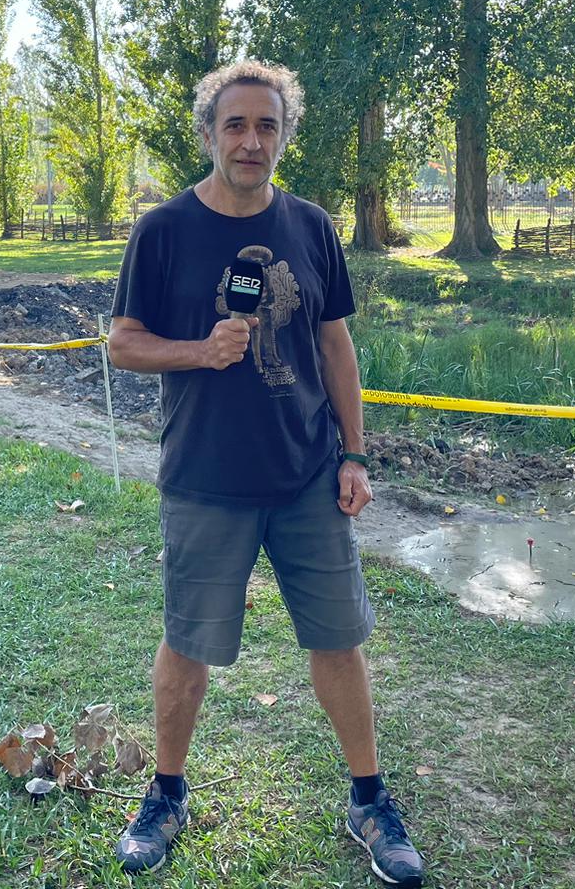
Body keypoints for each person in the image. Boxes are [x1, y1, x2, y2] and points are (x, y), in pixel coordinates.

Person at [106, 60, 424, 886]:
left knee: (339, 641)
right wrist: (200, 351)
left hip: (308, 478)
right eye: (237, 125)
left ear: (285, 136)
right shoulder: (163, 230)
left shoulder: (313, 226)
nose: (252, 141)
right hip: (205, 479)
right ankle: (166, 796)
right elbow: (124, 343)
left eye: (268, 126)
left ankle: (369, 799)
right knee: (188, 645)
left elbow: (335, 346)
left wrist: (354, 454)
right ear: (209, 134)